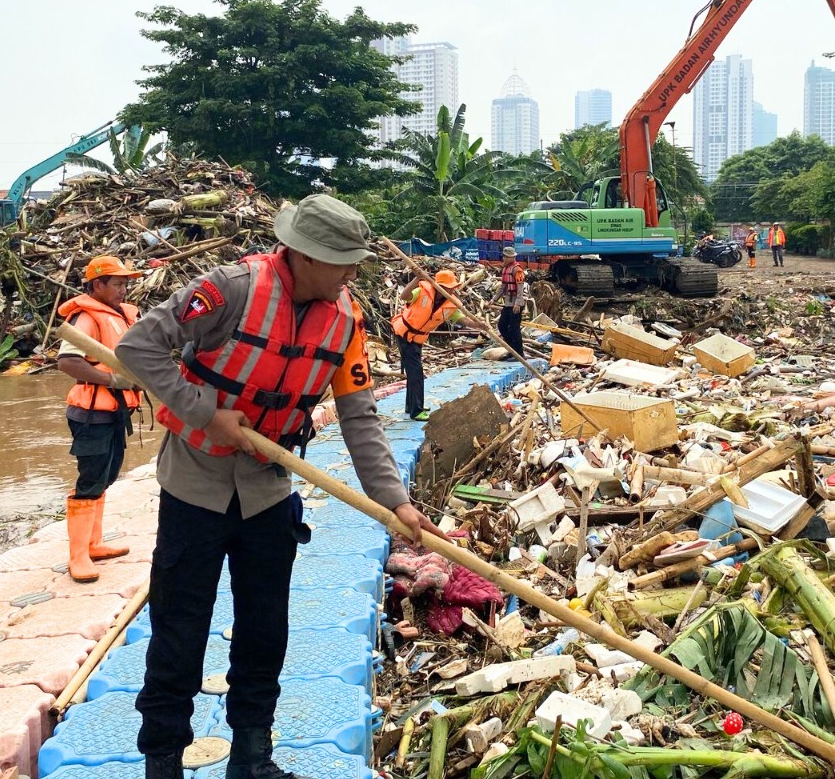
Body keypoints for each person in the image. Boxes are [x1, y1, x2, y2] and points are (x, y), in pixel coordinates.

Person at [115, 195, 441, 779]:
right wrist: (203, 412)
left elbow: (360, 417)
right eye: (342, 262)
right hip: (195, 483)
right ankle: (162, 761)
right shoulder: (228, 290)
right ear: (303, 255)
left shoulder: (345, 322)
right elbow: (137, 347)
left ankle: (251, 757)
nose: (351, 274)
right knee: (179, 631)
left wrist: (396, 503)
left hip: (267, 490)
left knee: (265, 629)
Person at [56, 255, 144, 584]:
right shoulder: (86, 318)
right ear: (98, 285)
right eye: (118, 283)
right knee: (90, 480)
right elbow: (67, 362)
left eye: (126, 283)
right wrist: (113, 381)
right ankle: (78, 555)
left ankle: (93, 544)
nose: (124, 289)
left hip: (114, 413)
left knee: (106, 476)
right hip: (91, 414)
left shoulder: (123, 315)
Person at [392, 268, 481, 420]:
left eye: (453, 287)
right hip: (404, 334)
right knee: (416, 373)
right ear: (439, 286)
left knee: (414, 373)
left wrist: (479, 325)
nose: (452, 289)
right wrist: (416, 280)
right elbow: (404, 296)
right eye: (449, 287)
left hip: (417, 338)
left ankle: (411, 405)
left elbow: (463, 320)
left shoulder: (449, 304)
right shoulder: (421, 291)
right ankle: (416, 411)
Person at [496, 246, 527, 359]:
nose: (503, 258)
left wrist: (518, 303)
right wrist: (494, 299)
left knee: (514, 328)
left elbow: (520, 288)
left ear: (511, 257)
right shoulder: (505, 269)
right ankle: (512, 349)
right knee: (502, 325)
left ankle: (519, 353)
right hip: (508, 302)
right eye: (504, 256)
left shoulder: (517, 270)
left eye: (506, 256)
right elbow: (503, 287)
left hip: (516, 303)